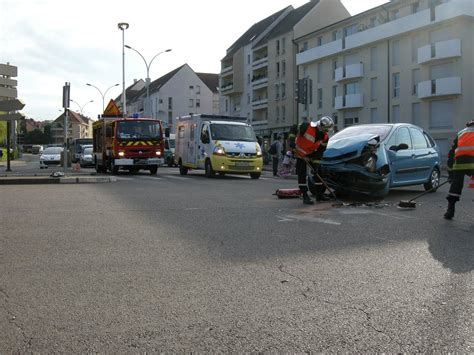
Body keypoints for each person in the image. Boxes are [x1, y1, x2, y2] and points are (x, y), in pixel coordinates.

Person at [295, 116, 334, 204]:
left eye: (328, 130)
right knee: (302, 174)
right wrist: (290, 140)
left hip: (312, 154)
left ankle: (319, 195)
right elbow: (293, 129)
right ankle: (305, 195)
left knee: (319, 172)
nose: (326, 132)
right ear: (321, 127)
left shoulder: (325, 137)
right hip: (300, 153)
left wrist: (316, 164)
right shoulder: (306, 126)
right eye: (326, 129)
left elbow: (321, 151)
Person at [444, 119, 474, 219]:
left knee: (455, 186)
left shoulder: (461, 132)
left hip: (459, 163)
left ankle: (450, 211)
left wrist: (450, 174)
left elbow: (451, 154)